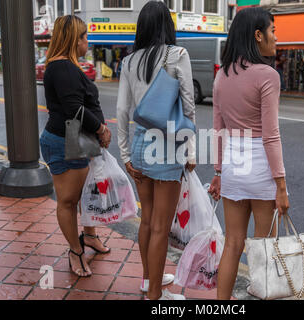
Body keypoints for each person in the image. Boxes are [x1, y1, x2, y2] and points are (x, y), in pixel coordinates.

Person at [208, 7, 289, 300]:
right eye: (272, 30)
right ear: (258, 35)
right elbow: (271, 135)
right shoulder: (267, 75)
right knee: (263, 247)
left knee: (233, 244)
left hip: (232, 163)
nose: (276, 38)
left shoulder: (222, 76)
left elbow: (218, 130)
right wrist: (281, 185)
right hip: (260, 166)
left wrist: (218, 173)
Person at [116, 1, 196, 300]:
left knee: (147, 220)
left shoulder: (129, 60)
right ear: (167, 25)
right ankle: (155, 298)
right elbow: (188, 104)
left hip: (139, 146)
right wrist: (190, 150)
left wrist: (125, 154)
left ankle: (149, 279)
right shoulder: (178, 55)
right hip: (167, 148)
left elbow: (122, 110)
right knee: (162, 226)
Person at [40, 15, 112, 277]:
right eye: (84, 37)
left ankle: (90, 236)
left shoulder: (67, 67)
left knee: (87, 194)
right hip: (64, 141)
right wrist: (101, 128)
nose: (87, 42)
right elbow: (74, 109)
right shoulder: (62, 68)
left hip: (77, 140)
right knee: (69, 201)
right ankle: (75, 250)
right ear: (74, 39)